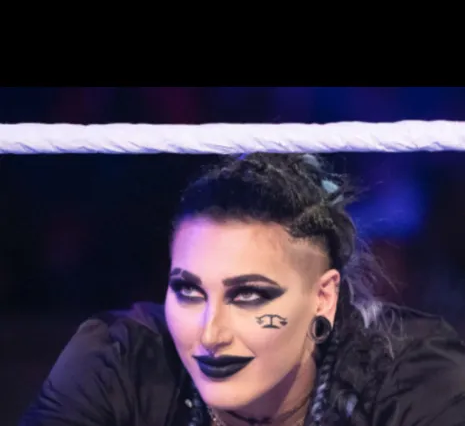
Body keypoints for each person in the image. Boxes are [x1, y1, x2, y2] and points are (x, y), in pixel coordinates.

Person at [19, 153, 465, 426]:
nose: (210, 334)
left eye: (248, 295)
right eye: (188, 290)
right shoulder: (119, 359)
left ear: (323, 297)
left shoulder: (409, 374)